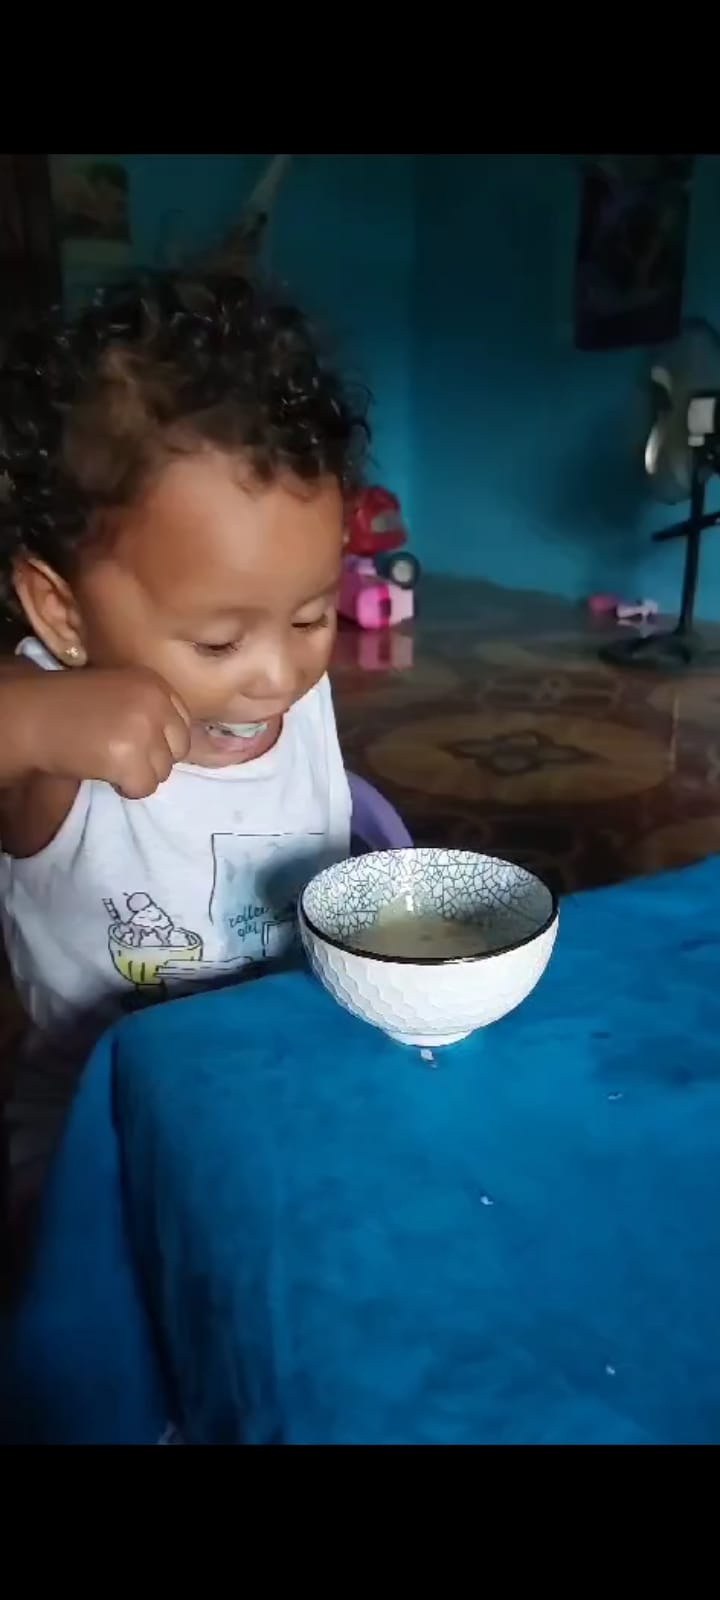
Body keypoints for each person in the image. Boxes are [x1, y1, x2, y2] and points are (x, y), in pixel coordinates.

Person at [0, 271, 369, 1217]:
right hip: (103, 1139)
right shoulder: (53, 725)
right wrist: (38, 718)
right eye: (217, 642)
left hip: (280, 1084)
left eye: (312, 616)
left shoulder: (288, 678)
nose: (277, 676)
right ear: (63, 614)